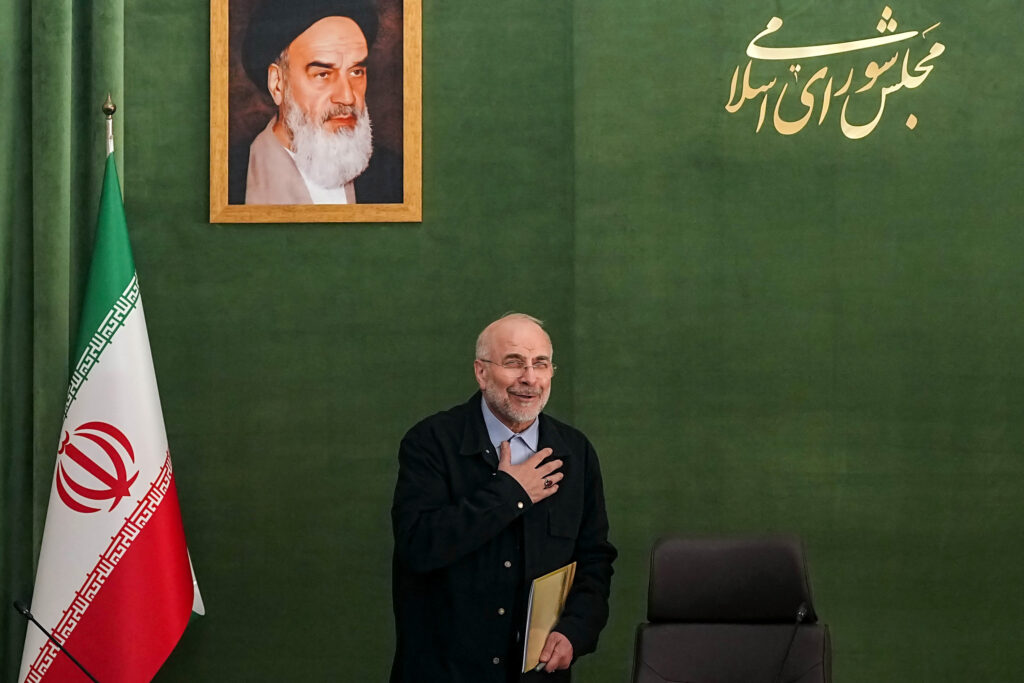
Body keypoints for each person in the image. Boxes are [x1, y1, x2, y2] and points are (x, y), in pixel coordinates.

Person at [391, 313, 616, 682]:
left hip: (536, 673)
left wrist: (575, 630)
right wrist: (511, 493)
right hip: (445, 672)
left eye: (540, 364)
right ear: (481, 373)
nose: (529, 377)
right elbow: (418, 545)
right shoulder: (430, 442)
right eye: (514, 362)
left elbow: (594, 558)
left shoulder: (576, 452)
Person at [239, 0, 402, 204]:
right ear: (278, 84)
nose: (348, 97)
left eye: (356, 72)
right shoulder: (230, 179)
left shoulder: (395, 176)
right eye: (323, 74)